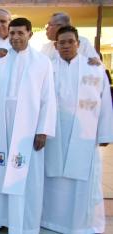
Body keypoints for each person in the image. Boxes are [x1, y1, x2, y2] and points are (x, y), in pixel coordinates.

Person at [0, 18, 57, 234]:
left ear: (30, 34)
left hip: (28, 127)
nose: (15, 37)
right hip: (0, 124)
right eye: (12, 33)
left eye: (20, 33)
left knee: (24, 174)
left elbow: (48, 98)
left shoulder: (42, 62)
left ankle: (22, 223)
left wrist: (43, 130)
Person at [41, 26, 113, 234]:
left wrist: (105, 133)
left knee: (81, 178)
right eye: (61, 42)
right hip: (55, 132)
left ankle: (80, 224)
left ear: (78, 44)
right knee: (52, 174)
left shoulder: (94, 68)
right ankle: (50, 219)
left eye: (70, 41)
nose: (65, 46)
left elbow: (105, 102)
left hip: (84, 133)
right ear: (55, 46)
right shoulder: (47, 67)